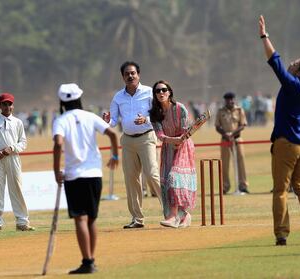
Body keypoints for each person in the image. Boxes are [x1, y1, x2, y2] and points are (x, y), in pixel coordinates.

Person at [259, 14, 300, 246]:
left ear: (298, 71)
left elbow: (274, 60)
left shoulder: (292, 84)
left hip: (287, 143)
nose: (293, 63)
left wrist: (264, 36)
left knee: (280, 190)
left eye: (295, 63)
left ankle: (281, 234)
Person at [53, 83, 119, 274]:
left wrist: (56, 170)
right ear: (79, 98)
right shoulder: (90, 116)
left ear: (62, 102)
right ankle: (91, 260)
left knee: (80, 219)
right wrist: (114, 156)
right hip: (94, 174)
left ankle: (87, 261)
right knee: (91, 219)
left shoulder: (61, 120)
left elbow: (58, 144)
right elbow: (113, 134)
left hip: (74, 175)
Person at [103, 61, 163, 229]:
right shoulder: (118, 97)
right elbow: (114, 121)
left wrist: (146, 120)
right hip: (128, 140)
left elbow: (159, 115)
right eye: (127, 74)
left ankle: (170, 212)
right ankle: (137, 218)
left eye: (133, 73)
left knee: (152, 174)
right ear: (122, 77)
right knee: (131, 179)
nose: (130, 76)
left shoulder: (149, 93)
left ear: (138, 75)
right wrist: (108, 120)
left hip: (146, 137)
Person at [149, 80, 197, 228]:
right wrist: (172, 140)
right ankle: (184, 216)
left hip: (184, 147)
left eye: (164, 90)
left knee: (174, 178)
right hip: (168, 148)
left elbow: (185, 130)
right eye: (157, 91)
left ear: (169, 92)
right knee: (166, 183)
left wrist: (179, 140)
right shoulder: (154, 113)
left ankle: (172, 216)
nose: (161, 93)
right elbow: (160, 135)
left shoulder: (180, 108)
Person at [0, 93, 35, 233]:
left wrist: (11, 148)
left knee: (17, 189)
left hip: (13, 158)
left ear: (13, 106)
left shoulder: (18, 122)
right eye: (4, 104)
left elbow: (23, 142)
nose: (7, 107)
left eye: (9, 104)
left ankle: (22, 222)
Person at [215, 92, 250, 194]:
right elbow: (217, 126)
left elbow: (243, 125)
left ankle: (243, 185)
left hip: (237, 139)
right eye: (227, 99)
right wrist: (226, 134)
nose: (229, 101)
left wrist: (233, 134)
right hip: (225, 140)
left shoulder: (239, 110)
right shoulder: (221, 111)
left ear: (234, 99)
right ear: (225, 100)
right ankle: (225, 187)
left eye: (231, 99)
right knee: (224, 164)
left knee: (241, 162)